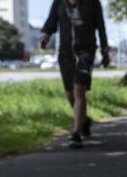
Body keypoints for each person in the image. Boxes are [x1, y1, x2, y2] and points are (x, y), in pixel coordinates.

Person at [39, 0, 110, 148]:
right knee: (70, 95)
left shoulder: (92, 3)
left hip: (86, 53)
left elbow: (101, 26)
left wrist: (105, 50)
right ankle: (83, 121)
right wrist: (45, 36)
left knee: (79, 90)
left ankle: (76, 134)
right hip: (65, 54)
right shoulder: (58, 3)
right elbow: (51, 22)